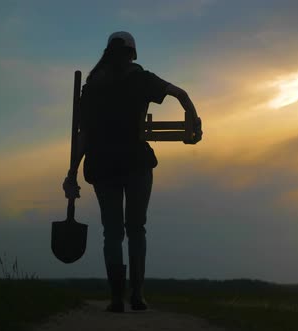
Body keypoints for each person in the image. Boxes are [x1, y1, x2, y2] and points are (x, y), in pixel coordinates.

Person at [62, 31, 201, 313]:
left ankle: (116, 299)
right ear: (132, 54)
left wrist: (72, 172)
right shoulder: (141, 79)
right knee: (136, 229)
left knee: (112, 233)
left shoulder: (91, 89)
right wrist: (193, 123)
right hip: (136, 163)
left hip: (102, 166)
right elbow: (182, 95)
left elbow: (83, 136)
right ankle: (136, 295)